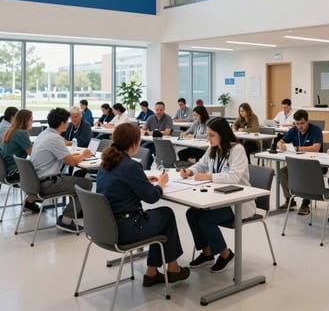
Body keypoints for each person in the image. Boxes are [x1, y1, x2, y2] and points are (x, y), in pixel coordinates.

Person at [96, 122, 190, 287]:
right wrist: (160, 183)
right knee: (166, 214)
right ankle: (172, 268)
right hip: (126, 229)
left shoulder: (105, 163)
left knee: (159, 216)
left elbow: (119, 184)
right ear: (135, 144)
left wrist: (142, 180)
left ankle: (152, 272)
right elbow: (152, 197)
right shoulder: (131, 166)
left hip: (104, 228)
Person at [180, 117, 254, 273]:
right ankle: (207, 254)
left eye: (212, 135)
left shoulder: (237, 149)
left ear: (223, 134)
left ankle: (225, 254)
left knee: (206, 220)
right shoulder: (213, 147)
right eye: (208, 135)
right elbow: (202, 164)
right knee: (191, 214)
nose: (209, 139)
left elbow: (234, 177)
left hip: (237, 202)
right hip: (218, 197)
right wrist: (190, 171)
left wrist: (210, 176)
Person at [30, 107, 93, 233]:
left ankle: (72, 212)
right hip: (47, 183)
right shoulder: (56, 139)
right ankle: (66, 220)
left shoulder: (45, 134)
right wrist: (83, 155)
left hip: (35, 182)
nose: (69, 122)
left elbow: (66, 157)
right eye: (67, 121)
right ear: (62, 123)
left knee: (77, 179)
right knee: (86, 184)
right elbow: (73, 162)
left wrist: (80, 155)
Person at [277, 109, 323, 215]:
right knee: (283, 172)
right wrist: (280, 145)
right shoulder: (294, 130)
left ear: (307, 121)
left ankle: (305, 203)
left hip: (314, 164)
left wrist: (297, 148)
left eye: (302, 123)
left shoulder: (316, 130)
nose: (300, 126)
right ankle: (290, 200)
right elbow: (281, 141)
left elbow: (316, 148)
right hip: (299, 163)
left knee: (305, 174)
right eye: (297, 124)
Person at [2, 109, 40, 213]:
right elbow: (33, 153)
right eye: (31, 119)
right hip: (13, 171)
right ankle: (32, 199)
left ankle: (31, 200)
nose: (33, 122)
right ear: (25, 121)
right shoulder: (21, 133)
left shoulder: (11, 130)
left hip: (7, 171)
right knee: (43, 171)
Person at [141, 101, 173, 168]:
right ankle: (141, 167)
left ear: (164, 110)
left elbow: (167, 132)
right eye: (157, 110)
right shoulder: (151, 118)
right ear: (155, 109)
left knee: (148, 151)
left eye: (161, 110)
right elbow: (143, 129)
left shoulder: (168, 118)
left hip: (162, 143)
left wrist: (152, 133)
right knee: (141, 148)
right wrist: (147, 132)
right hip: (151, 141)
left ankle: (146, 168)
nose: (158, 112)